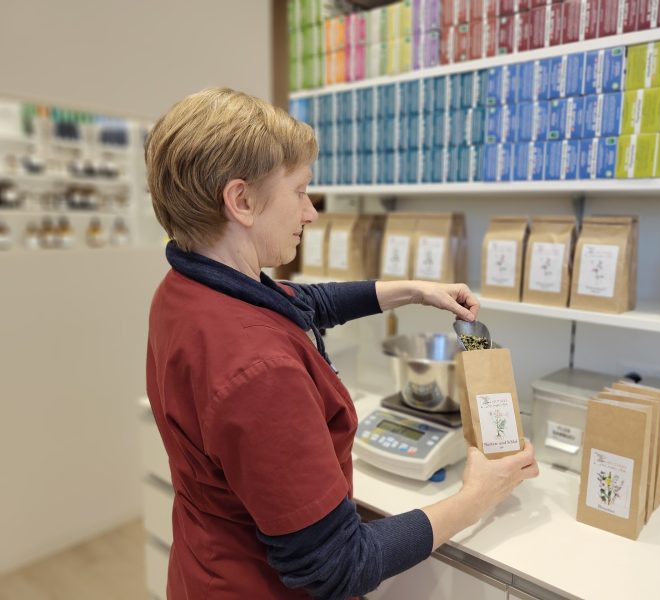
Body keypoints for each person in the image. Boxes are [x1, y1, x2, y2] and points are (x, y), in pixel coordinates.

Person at [145, 87, 539, 600]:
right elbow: (339, 565)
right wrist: (477, 496)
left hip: (203, 569)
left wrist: (414, 290)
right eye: (300, 192)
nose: (310, 212)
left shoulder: (189, 286)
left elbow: (304, 302)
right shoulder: (260, 368)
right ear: (241, 201)